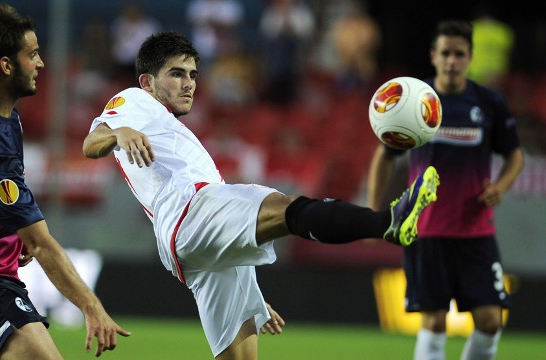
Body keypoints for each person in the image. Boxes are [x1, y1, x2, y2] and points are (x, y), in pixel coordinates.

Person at [82, 31, 439, 359]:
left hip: (194, 246)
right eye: (177, 74)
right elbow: (91, 143)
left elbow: (223, 225)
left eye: (192, 74)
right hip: (191, 210)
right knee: (286, 208)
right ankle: (386, 222)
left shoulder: (170, 129)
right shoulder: (134, 101)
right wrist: (120, 132)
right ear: (148, 81)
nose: (189, 83)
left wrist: (252, 294)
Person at [0, 3, 129, 359]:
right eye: (32, 54)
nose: (41, 63)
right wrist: (91, 307)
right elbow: (41, 244)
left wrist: (7, 234)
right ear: (6, 65)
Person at [367, 20, 524, 360]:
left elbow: (515, 155)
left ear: (470, 57)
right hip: (425, 229)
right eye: (446, 53)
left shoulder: (488, 103)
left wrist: (501, 186)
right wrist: (373, 212)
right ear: (433, 56)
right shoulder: (414, 101)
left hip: (476, 231)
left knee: (490, 320)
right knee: (434, 322)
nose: (452, 60)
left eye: (459, 54)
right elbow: (385, 155)